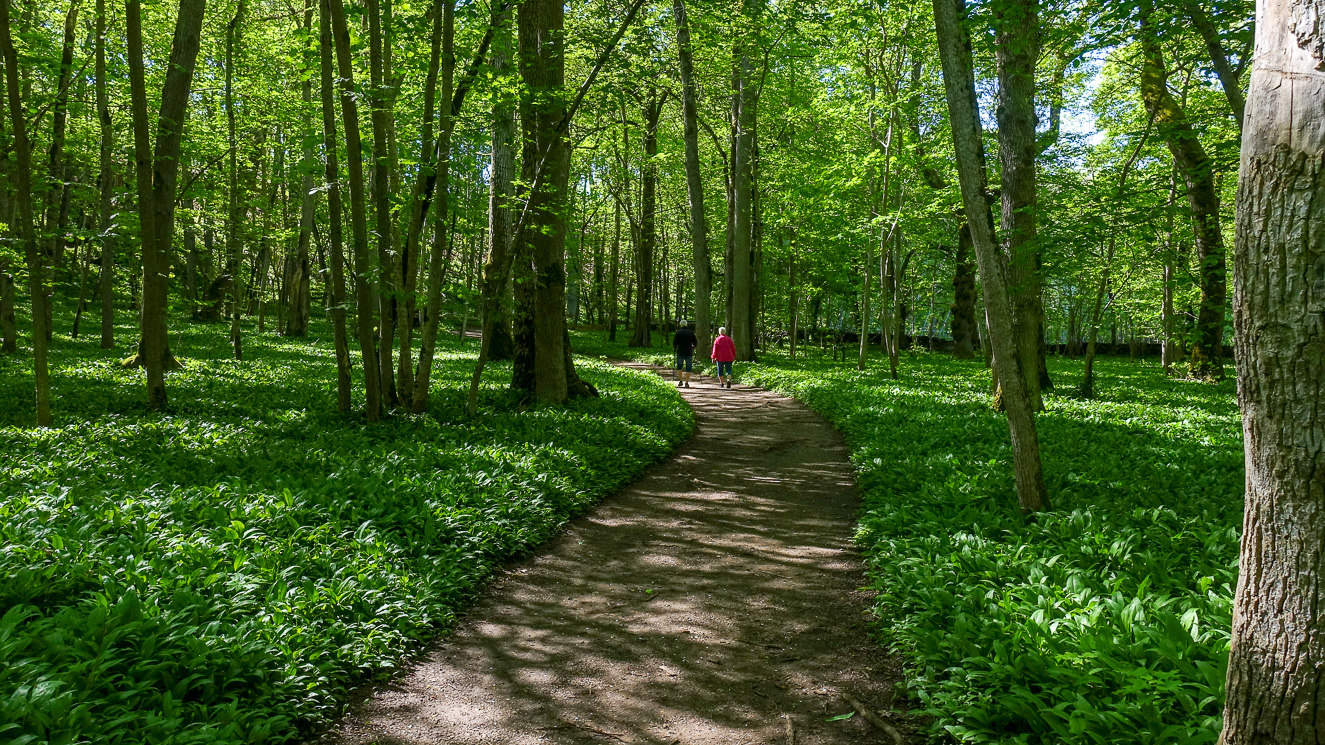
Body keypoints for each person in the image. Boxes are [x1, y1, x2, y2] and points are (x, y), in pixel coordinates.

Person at [672, 320, 698, 388]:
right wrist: (693, 347)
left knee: (679, 366)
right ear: (686, 325)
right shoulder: (691, 332)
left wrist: (674, 348)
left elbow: (675, 343)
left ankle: (680, 380)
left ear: (681, 325)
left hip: (680, 351)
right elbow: (695, 342)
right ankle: (686, 382)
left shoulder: (678, 332)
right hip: (689, 351)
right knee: (688, 367)